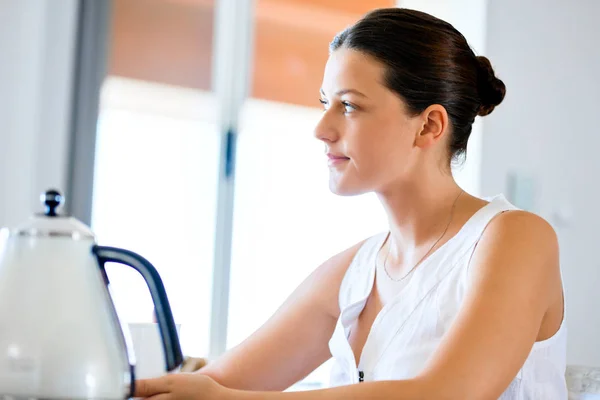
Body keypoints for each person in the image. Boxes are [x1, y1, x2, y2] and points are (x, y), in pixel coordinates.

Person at [135, 7, 566, 399]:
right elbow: (216, 383)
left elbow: (447, 393)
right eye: (326, 103)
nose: (322, 127)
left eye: (349, 106)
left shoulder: (515, 239)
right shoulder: (353, 272)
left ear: (429, 126)